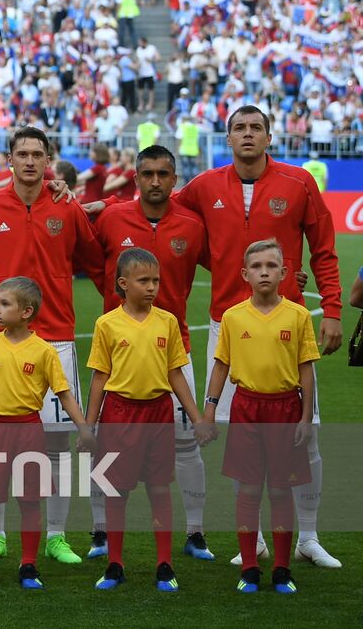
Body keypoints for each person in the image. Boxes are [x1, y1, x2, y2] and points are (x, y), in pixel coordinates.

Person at [175, 105, 342, 568]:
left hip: (288, 327)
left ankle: (307, 537)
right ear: (227, 138)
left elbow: (325, 248)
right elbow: (160, 210)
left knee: (304, 436)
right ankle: (258, 538)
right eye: (239, 128)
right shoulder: (205, 185)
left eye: (256, 128)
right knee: (239, 438)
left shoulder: (298, 182)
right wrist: (90, 204)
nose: (248, 135)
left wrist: (331, 309)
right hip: (227, 325)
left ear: (270, 137)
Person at [0, 127, 105, 565]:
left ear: (48, 159)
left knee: (53, 444)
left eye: (38, 154)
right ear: (9, 160)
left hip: (56, 337)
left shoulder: (66, 207)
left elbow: (95, 261)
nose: (31, 161)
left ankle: (54, 536)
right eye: (23, 154)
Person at [90, 146, 214, 560]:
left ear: (174, 179)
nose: (155, 181)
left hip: (174, 349)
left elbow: (230, 264)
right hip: (119, 354)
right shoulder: (111, 218)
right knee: (106, 454)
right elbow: (90, 262)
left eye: (164, 173)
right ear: (136, 178)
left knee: (186, 447)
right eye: (148, 173)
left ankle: (195, 532)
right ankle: (101, 535)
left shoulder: (193, 226)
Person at [0, 277, 96, 590]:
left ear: (26, 312)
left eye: (4, 304)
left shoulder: (43, 351)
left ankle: (29, 565)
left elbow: (64, 394)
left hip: (28, 431)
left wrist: (84, 429)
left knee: (29, 502)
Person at [85, 249, 212, 593]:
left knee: (159, 488)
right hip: (119, 414)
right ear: (123, 284)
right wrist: (88, 424)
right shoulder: (107, 324)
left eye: (156, 280)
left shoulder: (167, 322)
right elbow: (99, 377)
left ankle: (164, 564)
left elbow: (175, 374)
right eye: (144, 280)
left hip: (158, 414)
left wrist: (198, 418)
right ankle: (115, 564)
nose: (153, 287)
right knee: (116, 491)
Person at [203, 240, 320, 595]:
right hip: (247, 408)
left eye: (272, 265)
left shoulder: (298, 316)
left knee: (282, 490)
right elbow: (221, 365)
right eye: (257, 266)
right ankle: (250, 567)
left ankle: (282, 569)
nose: (264, 271)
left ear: (284, 273)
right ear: (245, 274)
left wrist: (305, 418)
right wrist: (209, 410)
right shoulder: (234, 317)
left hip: (285, 409)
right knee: (250, 490)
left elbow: (306, 370)